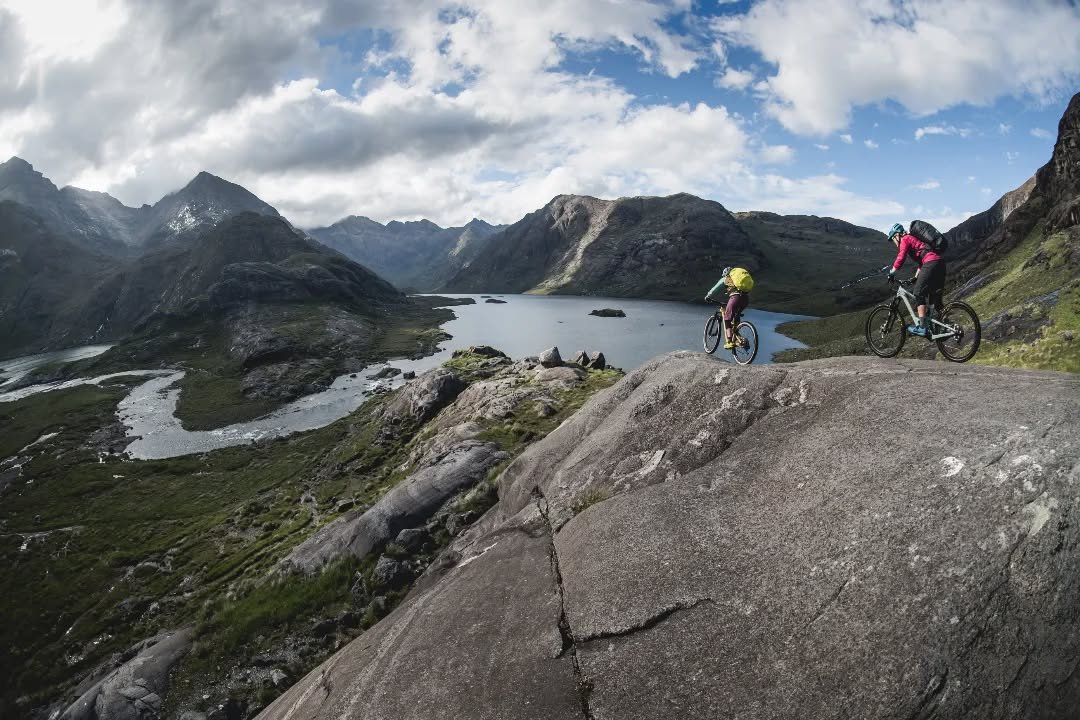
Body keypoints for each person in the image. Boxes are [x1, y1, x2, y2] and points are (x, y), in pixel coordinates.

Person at [886, 222, 945, 337]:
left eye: (893, 238)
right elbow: (921, 262)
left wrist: (892, 272)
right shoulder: (913, 240)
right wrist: (915, 278)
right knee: (935, 300)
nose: (894, 242)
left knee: (918, 293)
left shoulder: (905, 239)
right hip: (939, 263)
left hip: (931, 263)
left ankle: (922, 327)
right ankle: (949, 324)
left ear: (897, 235)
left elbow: (901, 256)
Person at [705, 266, 752, 349]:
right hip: (745, 299)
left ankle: (729, 342)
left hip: (735, 298)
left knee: (727, 318)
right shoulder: (737, 280)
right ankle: (738, 337)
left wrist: (708, 296)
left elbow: (715, 288)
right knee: (736, 316)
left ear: (725, 274)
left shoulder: (726, 278)